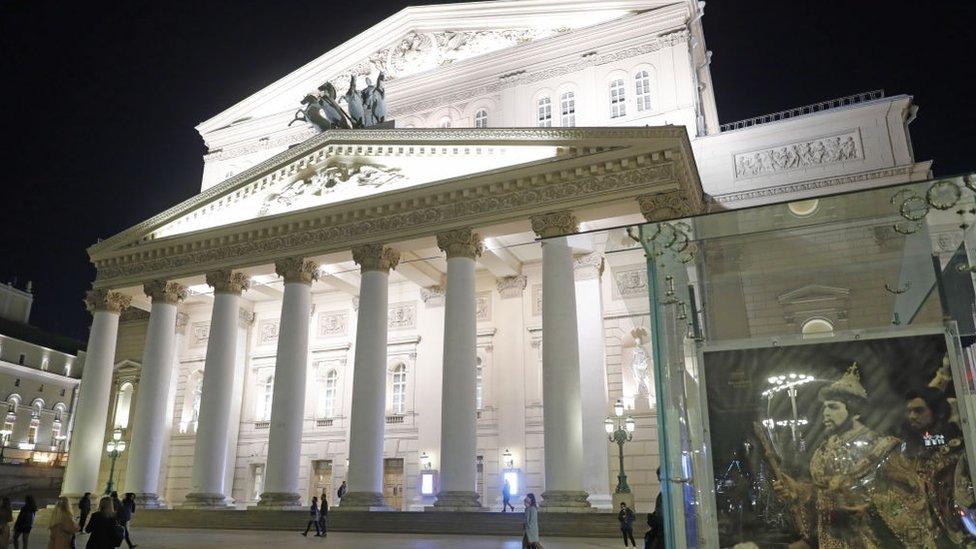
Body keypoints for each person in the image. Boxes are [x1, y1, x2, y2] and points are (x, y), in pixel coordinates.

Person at [772, 363, 936, 548]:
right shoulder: (822, 453)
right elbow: (820, 496)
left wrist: (870, 509)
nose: (825, 413)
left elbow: (911, 494)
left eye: (833, 407)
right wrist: (797, 490)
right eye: (824, 407)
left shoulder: (881, 448)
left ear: (856, 412)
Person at [901, 386, 970, 545]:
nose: (911, 416)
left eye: (918, 410)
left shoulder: (958, 442)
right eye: (909, 411)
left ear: (936, 411)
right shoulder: (909, 447)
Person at [644, 468, 663, 549]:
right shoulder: (662, 495)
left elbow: (661, 518)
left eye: (661, 480)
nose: (660, 483)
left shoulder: (664, 496)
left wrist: (653, 519)